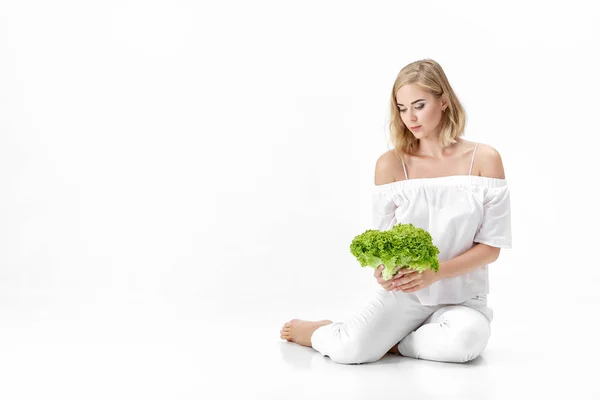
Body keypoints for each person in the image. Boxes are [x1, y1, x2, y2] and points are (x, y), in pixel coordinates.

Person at [279, 59, 512, 364]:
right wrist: (383, 269)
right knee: (350, 352)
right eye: (402, 108)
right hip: (407, 295)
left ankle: (393, 344)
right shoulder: (390, 164)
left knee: (464, 342)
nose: (410, 117)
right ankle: (320, 332)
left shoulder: (484, 159)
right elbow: (383, 239)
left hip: (464, 298)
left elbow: (491, 248)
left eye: (419, 105)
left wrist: (435, 273)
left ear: (443, 101)